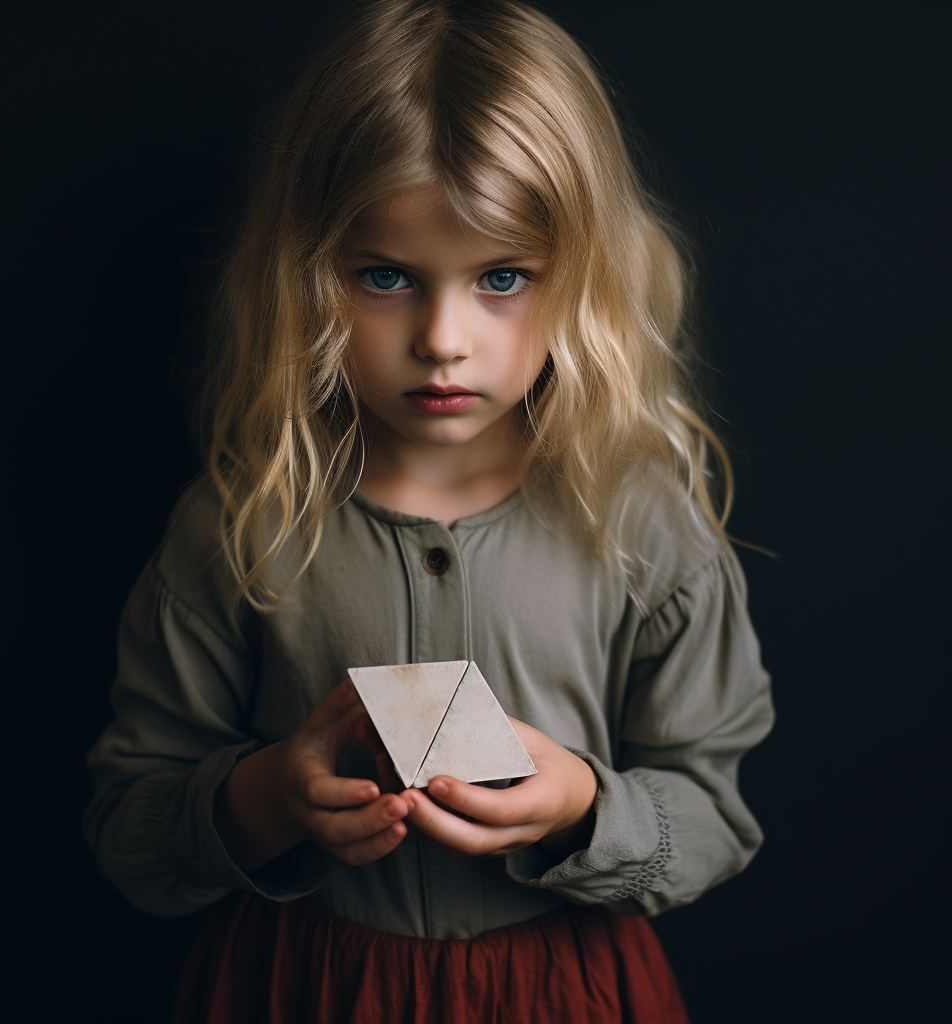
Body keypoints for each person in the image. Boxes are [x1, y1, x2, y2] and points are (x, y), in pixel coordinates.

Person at [84, 2, 774, 1021]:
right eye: (385, 277)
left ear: (581, 277)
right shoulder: (240, 521)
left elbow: (716, 817)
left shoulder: (644, 523)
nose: (443, 337)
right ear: (306, 275)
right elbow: (131, 833)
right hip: (302, 987)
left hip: (566, 989)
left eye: (502, 277)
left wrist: (584, 807)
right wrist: (270, 796)